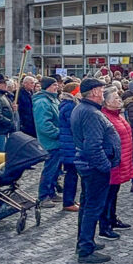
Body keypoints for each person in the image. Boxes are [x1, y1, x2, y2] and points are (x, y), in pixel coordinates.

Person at [72, 78, 120, 264]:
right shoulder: (90, 113)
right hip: (94, 168)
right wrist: (105, 166)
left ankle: (85, 240)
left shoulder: (83, 109)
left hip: (88, 166)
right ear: (93, 92)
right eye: (101, 90)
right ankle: (85, 248)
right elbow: (93, 145)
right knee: (92, 207)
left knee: (87, 205)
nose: (102, 93)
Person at [101, 86, 133, 236]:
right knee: (108, 195)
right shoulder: (105, 116)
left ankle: (112, 218)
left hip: (121, 160)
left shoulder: (117, 115)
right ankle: (105, 224)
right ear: (106, 102)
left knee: (114, 193)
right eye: (115, 98)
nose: (119, 100)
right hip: (113, 162)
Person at [33, 76, 63, 207]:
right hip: (50, 141)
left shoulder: (52, 99)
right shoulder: (43, 102)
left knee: (55, 169)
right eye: (54, 85)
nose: (57, 87)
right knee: (49, 169)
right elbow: (44, 125)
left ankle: (51, 192)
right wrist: (59, 133)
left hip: (56, 140)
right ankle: (43, 195)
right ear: (48, 87)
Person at [57, 81, 81, 212]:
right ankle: (68, 201)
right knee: (71, 175)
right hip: (70, 145)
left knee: (72, 174)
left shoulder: (70, 105)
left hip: (69, 143)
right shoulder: (70, 106)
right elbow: (74, 125)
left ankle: (70, 199)